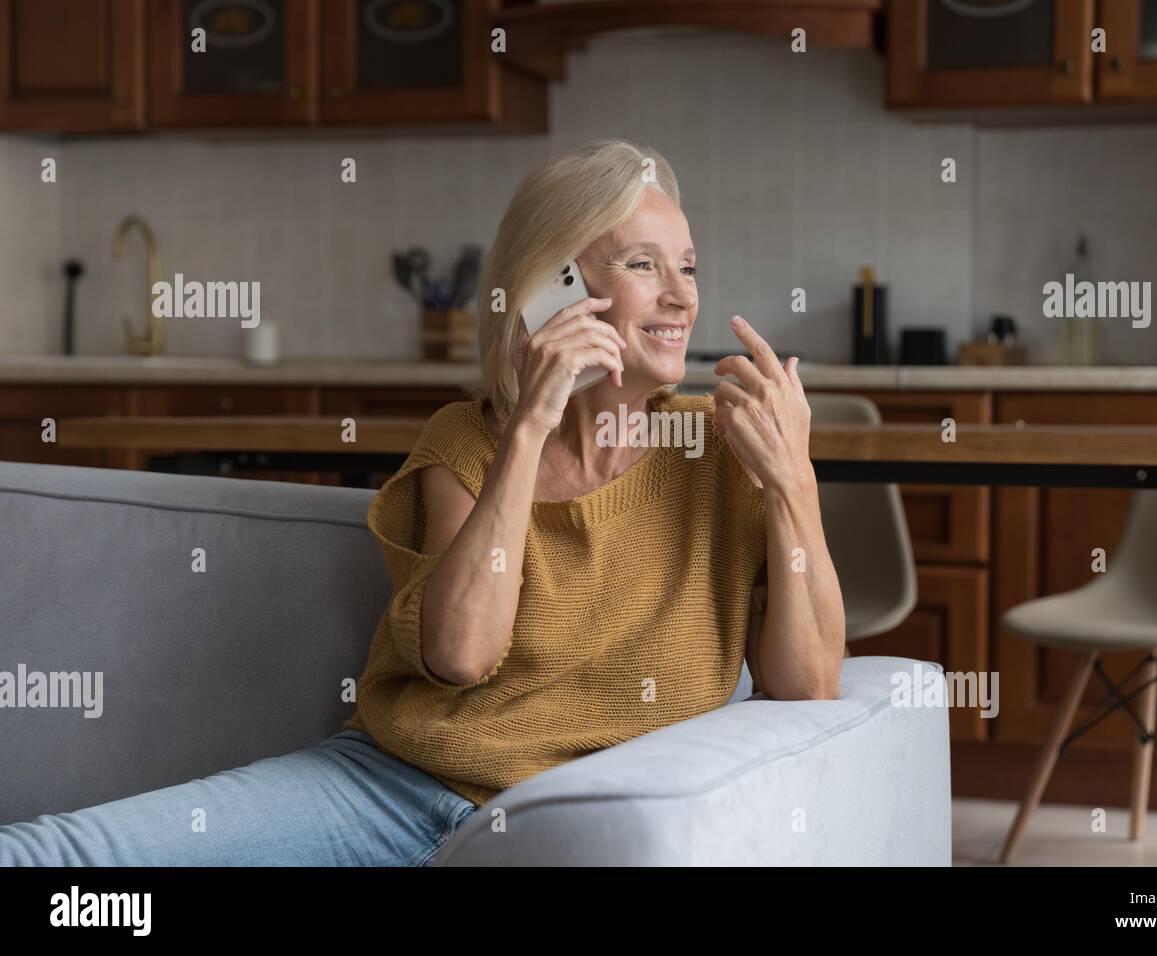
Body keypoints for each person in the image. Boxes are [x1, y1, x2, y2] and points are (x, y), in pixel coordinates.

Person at [0, 138, 844, 866]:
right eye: (642, 264)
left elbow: (807, 687)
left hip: (557, 833)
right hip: (390, 786)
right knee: (65, 860)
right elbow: (461, 654)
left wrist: (793, 484)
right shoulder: (467, 442)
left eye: (688, 267)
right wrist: (528, 430)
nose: (683, 295)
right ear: (553, 288)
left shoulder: (720, 451)